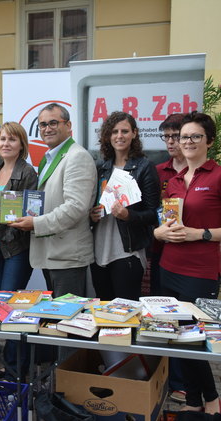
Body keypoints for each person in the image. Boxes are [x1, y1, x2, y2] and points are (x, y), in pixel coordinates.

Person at [154, 111, 221, 415]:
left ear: (209, 141)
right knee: (177, 340)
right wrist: (159, 232)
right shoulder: (175, 180)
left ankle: (211, 400)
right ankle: (193, 403)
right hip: (168, 267)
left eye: (195, 136)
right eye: (184, 137)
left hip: (200, 273)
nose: (188, 141)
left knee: (194, 341)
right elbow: (163, 223)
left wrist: (201, 234)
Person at [11, 103, 96, 298]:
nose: (47, 129)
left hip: (67, 256)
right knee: (56, 317)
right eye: (42, 124)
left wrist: (36, 223)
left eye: (53, 123)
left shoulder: (77, 157)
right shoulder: (50, 158)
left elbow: (75, 208)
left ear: (68, 125)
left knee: (68, 319)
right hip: (53, 253)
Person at [0, 122, 38, 381]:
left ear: (21, 145)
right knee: (4, 305)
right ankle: (12, 365)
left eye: (12, 140)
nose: (6, 143)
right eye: (2, 139)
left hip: (16, 247)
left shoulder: (27, 172)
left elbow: (30, 215)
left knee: (13, 307)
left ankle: (17, 369)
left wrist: (0, 217)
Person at [89, 112, 159, 301]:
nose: (119, 136)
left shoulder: (145, 167)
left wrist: (128, 215)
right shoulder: (102, 167)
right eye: (114, 131)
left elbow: (154, 214)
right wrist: (92, 215)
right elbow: (92, 204)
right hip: (99, 250)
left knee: (125, 312)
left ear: (134, 133)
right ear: (108, 136)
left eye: (125, 131)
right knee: (103, 308)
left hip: (127, 252)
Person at [152, 113, 187, 404]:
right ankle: (165, 376)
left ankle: (184, 381)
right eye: (167, 137)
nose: (172, 142)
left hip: (191, 258)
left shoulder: (201, 172)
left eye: (176, 136)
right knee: (163, 319)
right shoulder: (159, 170)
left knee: (187, 322)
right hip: (160, 255)